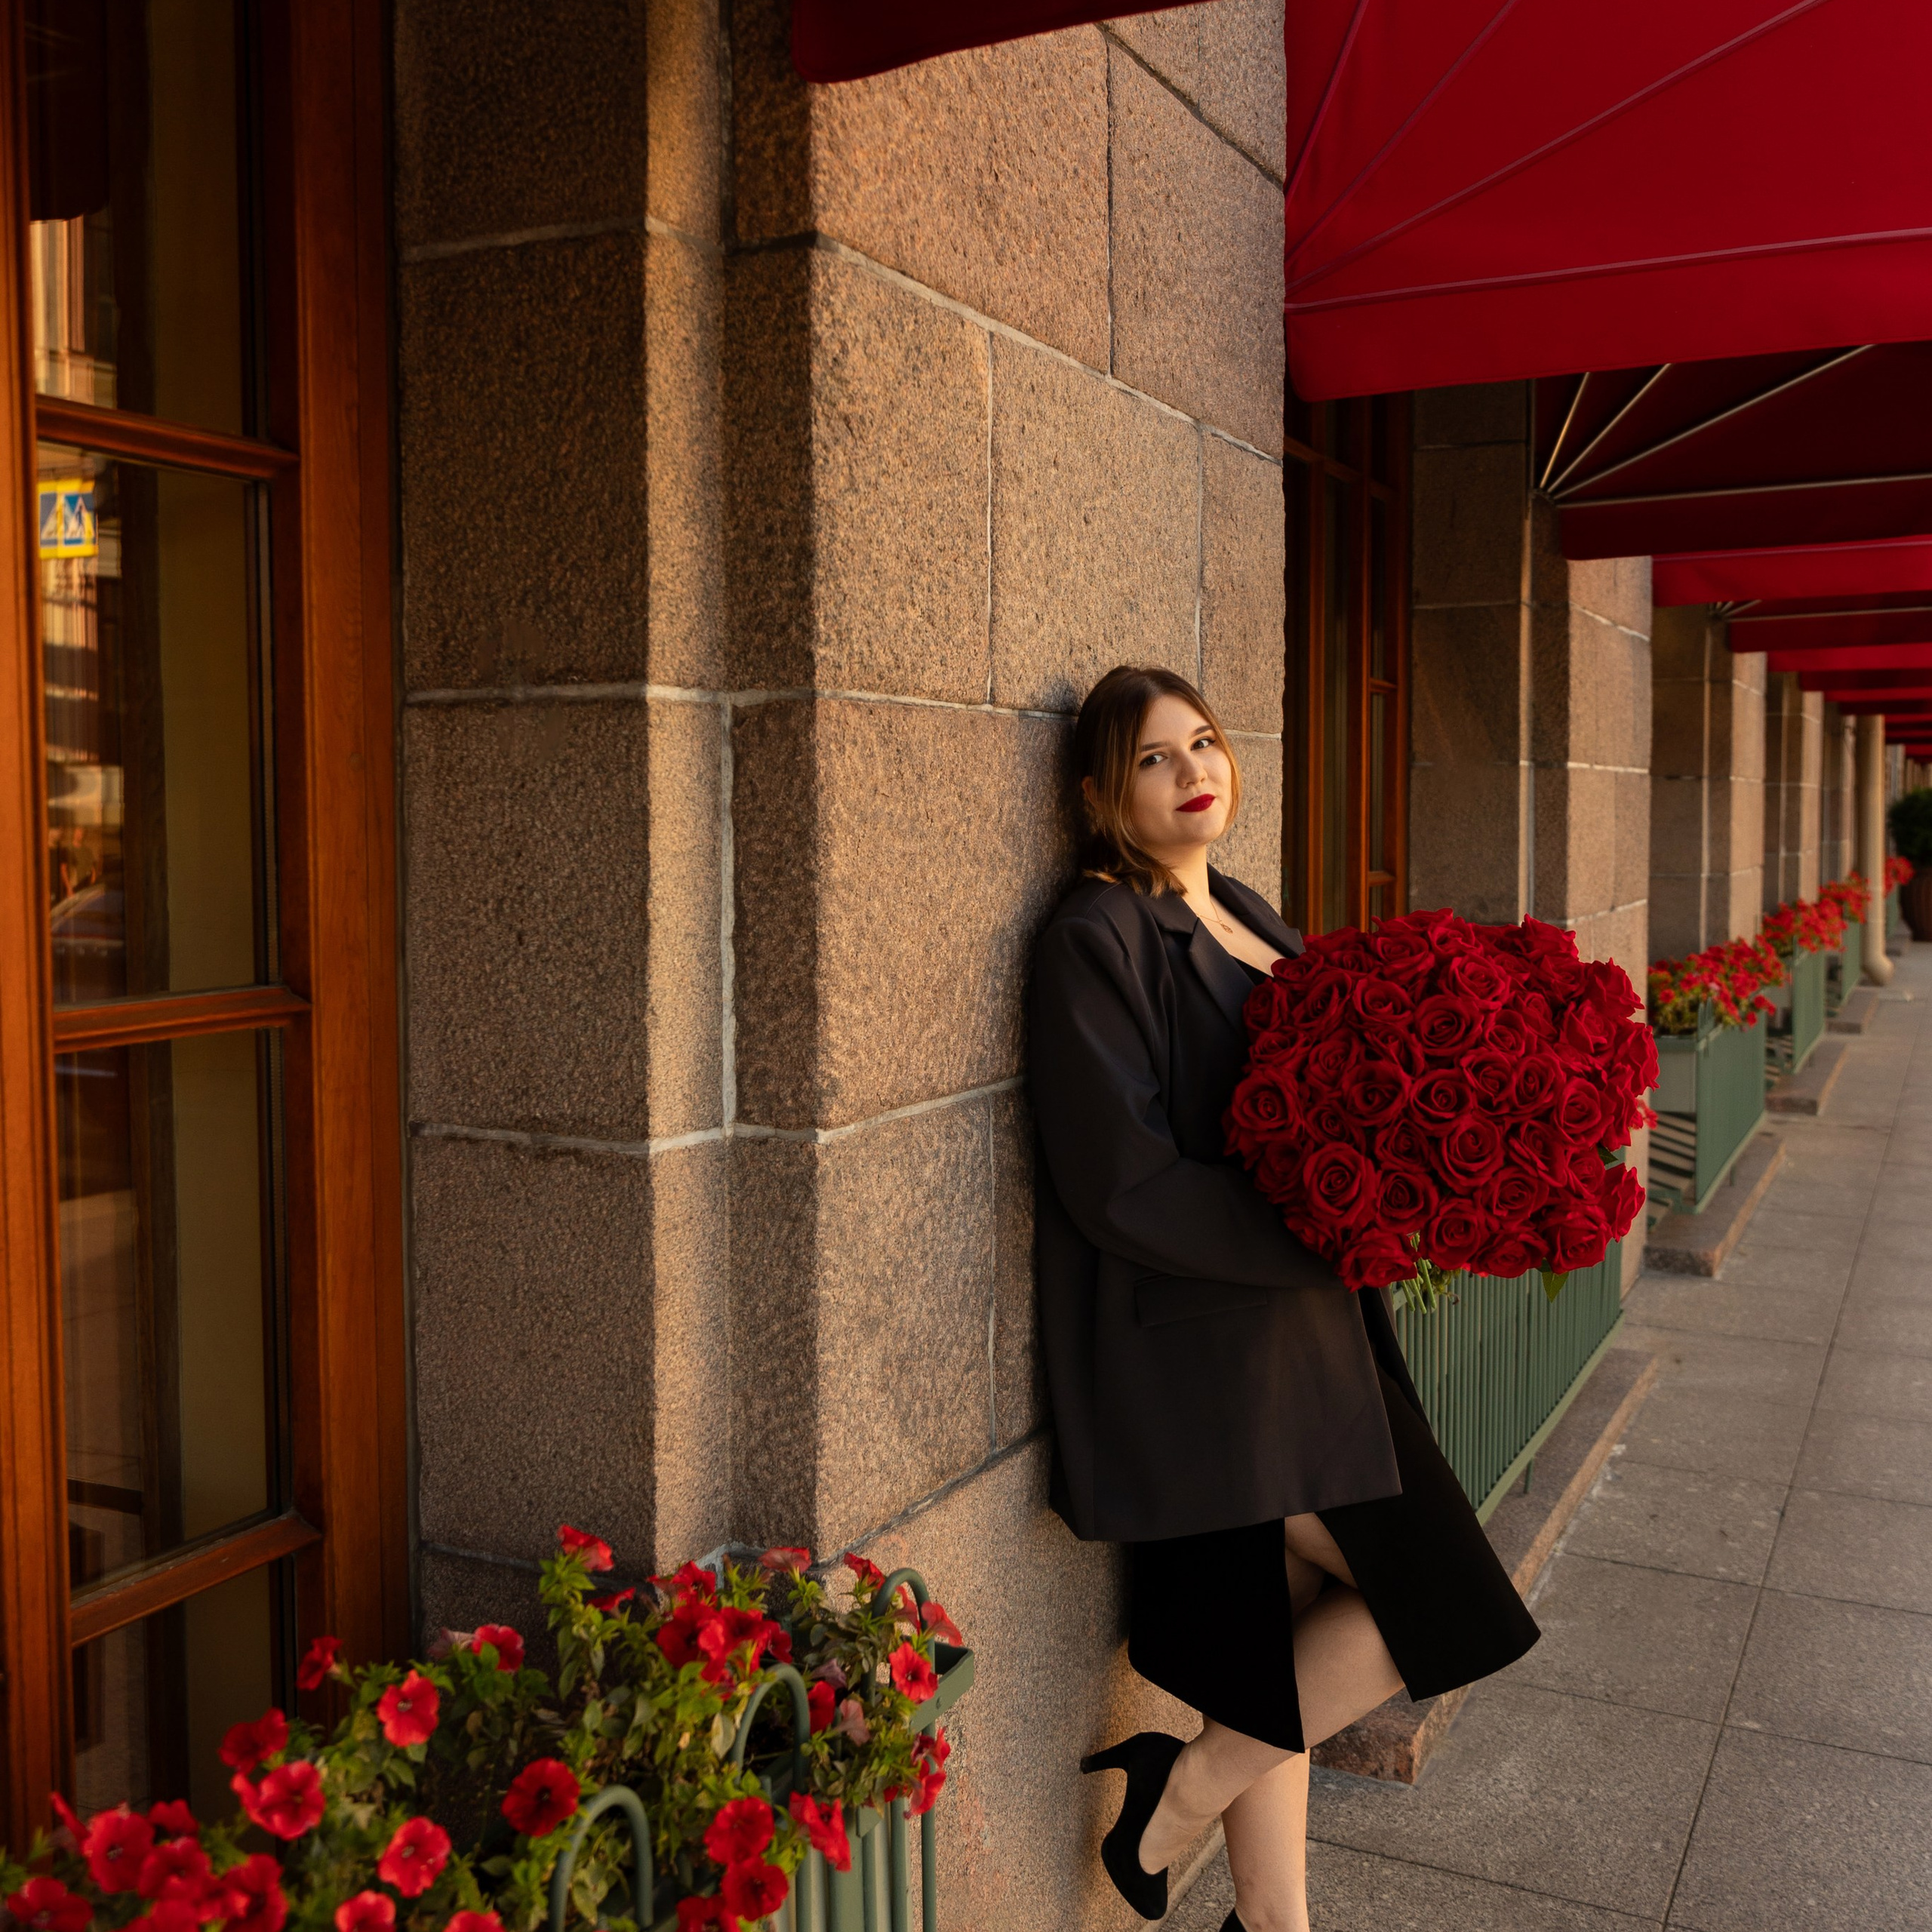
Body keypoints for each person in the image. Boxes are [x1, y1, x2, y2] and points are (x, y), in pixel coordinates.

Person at [1029, 665, 1539, 1932]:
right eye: (1154, 758)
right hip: (1212, 1359)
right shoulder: (1095, 938)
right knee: (1445, 1598)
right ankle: (1180, 1791)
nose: (1193, 771)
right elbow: (1123, 1185)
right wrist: (1329, 1230)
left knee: (1274, 1643)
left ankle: (1268, 1916)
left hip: (1307, 1340)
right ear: (1100, 792)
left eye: (1203, 742)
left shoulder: (1244, 906)